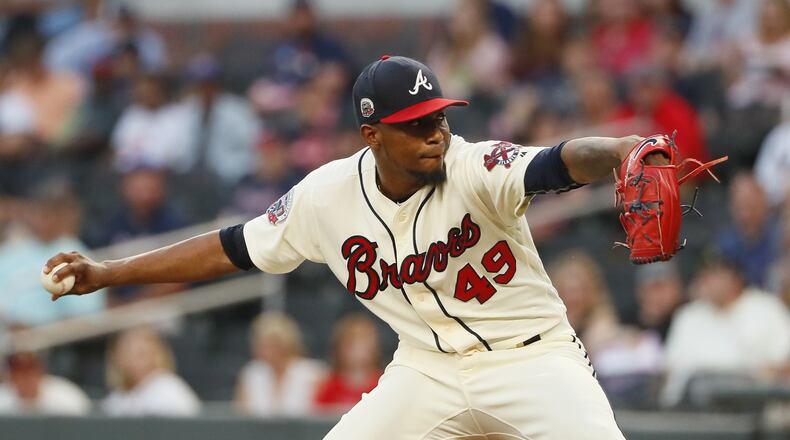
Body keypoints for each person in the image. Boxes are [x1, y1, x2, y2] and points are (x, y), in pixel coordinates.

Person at [43, 56, 668, 439]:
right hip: (428, 368)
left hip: (533, 359)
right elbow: (233, 248)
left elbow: (555, 163)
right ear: (372, 134)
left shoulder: (475, 166)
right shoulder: (327, 196)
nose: (436, 133)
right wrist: (109, 272)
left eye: (441, 117)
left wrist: (616, 150)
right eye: (416, 124)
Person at [662, 254, 790, 407]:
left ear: (736, 276)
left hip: (751, 407)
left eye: (715, 273)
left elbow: (784, 364)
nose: (707, 279)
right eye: (705, 273)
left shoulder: (767, 309)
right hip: (690, 410)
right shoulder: (688, 315)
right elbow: (668, 370)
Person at [235, 312, 325, 417]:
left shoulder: (312, 373)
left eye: (271, 345)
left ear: (285, 344)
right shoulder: (251, 373)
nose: (265, 351)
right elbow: (242, 415)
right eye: (261, 344)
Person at [102, 326, 200, 417]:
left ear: (157, 354)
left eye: (140, 353)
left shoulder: (168, 389)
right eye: (126, 352)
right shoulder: (115, 399)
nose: (132, 360)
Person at [313, 314, 382, 414]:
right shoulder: (328, 386)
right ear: (339, 348)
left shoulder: (383, 382)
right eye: (352, 346)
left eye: (364, 345)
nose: (358, 352)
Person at [0, 351, 91, 416]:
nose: (26, 377)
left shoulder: (67, 396)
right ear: (10, 375)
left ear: (41, 370)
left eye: (31, 369)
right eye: (19, 371)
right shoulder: (2, 399)